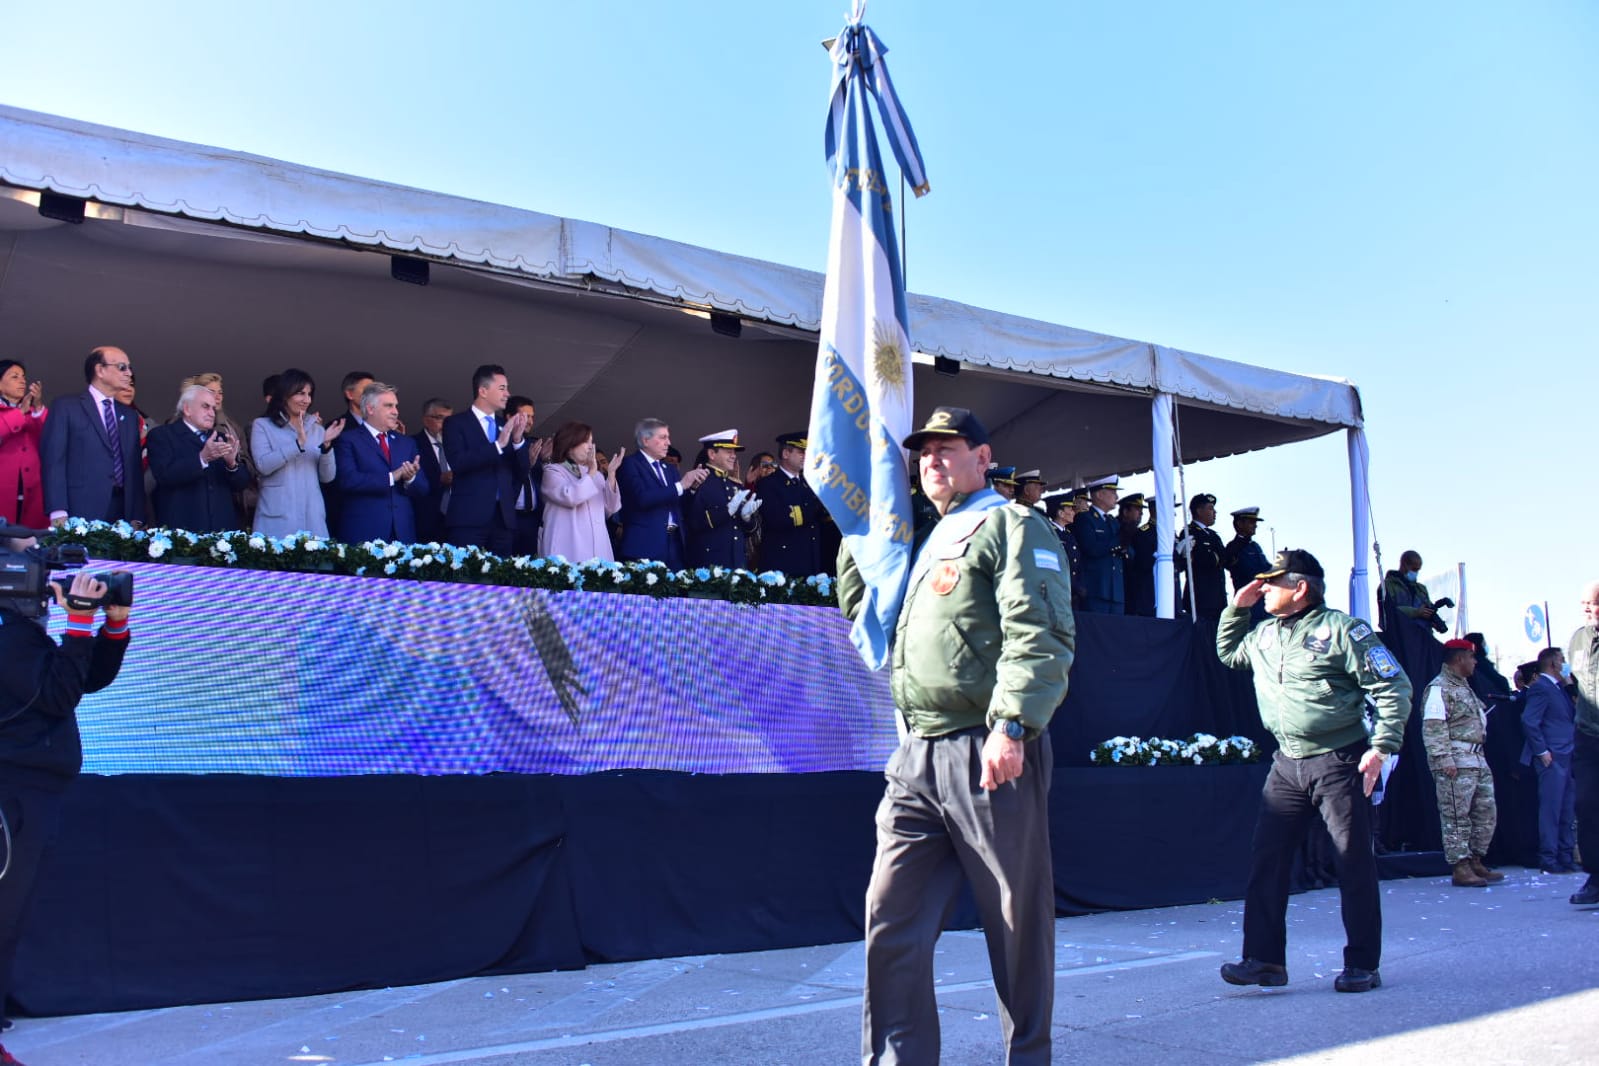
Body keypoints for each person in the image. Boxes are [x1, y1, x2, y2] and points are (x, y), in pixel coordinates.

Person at [838, 406, 1073, 1065]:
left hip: (986, 746)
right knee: (889, 921)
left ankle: (1027, 1056)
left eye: (948, 449)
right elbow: (869, 618)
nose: (933, 460)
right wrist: (860, 535)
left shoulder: (1011, 524)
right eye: (924, 452)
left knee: (1013, 922)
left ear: (982, 456)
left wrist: (1013, 724)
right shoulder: (919, 541)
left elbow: (1040, 630)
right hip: (915, 755)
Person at [1216, 548, 1412, 993]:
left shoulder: (1343, 629)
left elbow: (1392, 684)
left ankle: (1362, 963)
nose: (1264, 587)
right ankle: (1264, 961)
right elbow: (1228, 653)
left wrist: (1381, 746)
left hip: (1340, 759)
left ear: (1300, 588)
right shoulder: (1264, 633)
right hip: (1286, 763)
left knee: (1352, 862)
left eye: (1273, 581)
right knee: (1267, 860)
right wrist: (1236, 609)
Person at [0, 531, 131, 1045]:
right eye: (30, 560)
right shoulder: (8, 637)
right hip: (13, 791)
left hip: (35, 791)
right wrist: (78, 619)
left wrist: (111, 627)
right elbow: (56, 695)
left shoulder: (22, 632)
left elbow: (81, 681)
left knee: (12, 913)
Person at [1422, 638, 1503, 886]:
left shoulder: (1464, 687)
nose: (1475, 662)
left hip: (1477, 759)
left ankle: (1476, 860)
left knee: (1485, 813)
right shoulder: (1439, 688)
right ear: (1459, 659)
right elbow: (1434, 726)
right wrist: (1444, 758)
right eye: (1471, 657)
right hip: (1456, 761)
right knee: (1456, 815)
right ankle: (1460, 866)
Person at [40, 347, 145, 526]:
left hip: (122, 512)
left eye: (129, 367)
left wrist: (137, 515)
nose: (129, 373)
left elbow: (133, 469)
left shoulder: (129, 416)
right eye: (122, 367)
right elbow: (54, 461)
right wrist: (57, 510)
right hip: (79, 508)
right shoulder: (66, 407)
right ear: (100, 370)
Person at [442, 365, 530, 555]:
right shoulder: (456, 423)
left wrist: (517, 441)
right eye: (502, 388)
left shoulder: (504, 425)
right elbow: (458, 462)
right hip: (469, 519)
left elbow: (522, 472)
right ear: (482, 391)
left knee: (501, 581)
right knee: (467, 580)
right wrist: (497, 446)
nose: (508, 394)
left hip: (503, 519)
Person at [146, 384, 252, 533]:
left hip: (222, 531)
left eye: (213, 409)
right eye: (205, 407)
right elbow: (164, 475)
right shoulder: (162, 435)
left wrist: (231, 464)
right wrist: (202, 459)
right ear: (187, 409)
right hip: (183, 530)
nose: (212, 413)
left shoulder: (220, 438)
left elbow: (241, 484)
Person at [251, 368, 342, 538]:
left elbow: (327, 476)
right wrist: (298, 444)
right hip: (277, 518)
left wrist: (327, 446)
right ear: (285, 394)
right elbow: (263, 465)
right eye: (300, 393)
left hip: (312, 518)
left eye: (309, 394)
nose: (306, 400)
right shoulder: (262, 425)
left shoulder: (316, 429)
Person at [333, 383, 427, 543]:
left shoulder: (406, 443)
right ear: (370, 409)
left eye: (396, 406)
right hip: (364, 532)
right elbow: (348, 481)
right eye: (389, 406)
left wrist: (410, 478)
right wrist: (392, 477)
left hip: (402, 533)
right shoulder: (348, 439)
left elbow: (424, 488)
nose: (395, 411)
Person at [616, 418, 707, 568]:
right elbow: (642, 498)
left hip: (675, 544)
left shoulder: (669, 469)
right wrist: (681, 485)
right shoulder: (629, 464)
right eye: (663, 437)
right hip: (645, 546)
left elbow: (680, 505)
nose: (668, 443)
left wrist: (691, 488)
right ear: (645, 440)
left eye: (668, 437)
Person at [1520, 646, 1578, 876]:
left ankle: (1565, 855)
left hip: (1567, 754)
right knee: (1551, 809)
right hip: (1551, 756)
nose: (1565, 664)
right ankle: (1549, 857)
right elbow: (1529, 720)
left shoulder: (1559, 688)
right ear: (1554, 664)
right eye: (1562, 660)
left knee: (1566, 809)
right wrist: (1541, 750)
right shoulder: (1541, 688)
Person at [539, 421, 622, 563]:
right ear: (570, 443)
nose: (591, 446)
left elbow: (611, 509)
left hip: (598, 546)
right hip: (568, 545)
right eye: (585, 441)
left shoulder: (596, 475)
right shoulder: (553, 471)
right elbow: (571, 497)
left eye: (591, 441)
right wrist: (590, 473)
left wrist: (612, 475)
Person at [1566, 582, 1599, 905]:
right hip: (1588, 736)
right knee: (1587, 805)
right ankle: (1596, 877)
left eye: (1593, 604)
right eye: (1584, 603)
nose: (1587, 608)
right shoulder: (1578, 638)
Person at [752, 431, 824, 576]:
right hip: (783, 562)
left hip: (809, 560)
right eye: (801, 452)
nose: (805, 456)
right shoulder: (769, 484)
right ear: (785, 453)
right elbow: (779, 519)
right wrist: (812, 507)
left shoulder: (808, 483)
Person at [684, 431, 760, 569]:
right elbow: (693, 521)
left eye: (734, 452)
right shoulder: (699, 481)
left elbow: (749, 531)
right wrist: (726, 511)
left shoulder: (735, 485)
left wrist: (747, 518)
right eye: (728, 452)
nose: (733, 456)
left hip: (737, 561)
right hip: (710, 564)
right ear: (712, 454)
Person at [0, 361, 47, 528]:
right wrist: (19, 413)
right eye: (14, 377)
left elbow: (50, 437)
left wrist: (38, 406)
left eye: (23, 377)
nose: (22, 381)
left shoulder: (33, 412)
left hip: (33, 489)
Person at [1074, 475, 1125, 614]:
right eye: (1113, 492)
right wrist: (1116, 543)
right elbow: (1091, 548)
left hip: (1116, 591)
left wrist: (1126, 548)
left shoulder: (1113, 521)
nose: (1117, 496)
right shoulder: (1085, 518)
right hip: (1096, 588)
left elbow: (1127, 549)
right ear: (1099, 494)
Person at [507, 395, 550, 557]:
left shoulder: (533, 444)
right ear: (510, 417)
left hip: (532, 518)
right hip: (508, 516)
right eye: (525, 416)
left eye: (532, 417)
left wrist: (546, 460)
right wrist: (526, 464)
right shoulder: (502, 446)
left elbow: (542, 482)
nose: (530, 421)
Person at [1178, 492, 1227, 620]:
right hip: (1200, 599)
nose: (1214, 512)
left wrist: (1215, 557)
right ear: (1199, 511)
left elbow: (1225, 558)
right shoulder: (1189, 532)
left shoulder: (1213, 535)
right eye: (1210, 508)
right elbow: (1201, 559)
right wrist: (1215, 558)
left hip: (1218, 599)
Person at [410, 398, 452, 544]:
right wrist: (440, 479)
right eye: (440, 418)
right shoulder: (412, 444)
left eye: (449, 420)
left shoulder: (457, 445)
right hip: (426, 518)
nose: (445, 425)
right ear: (426, 420)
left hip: (455, 519)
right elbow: (412, 480)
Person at [1223, 506, 1272, 624]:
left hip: (1263, 604)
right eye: (1251, 522)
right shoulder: (1234, 548)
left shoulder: (1255, 546)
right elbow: (1249, 572)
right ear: (1239, 524)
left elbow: (1266, 568)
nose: (1255, 525)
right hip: (1247, 606)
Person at [1117, 492, 1156, 617]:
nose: (1141, 513)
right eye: (1137, 509)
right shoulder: (1117, 530)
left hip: (1135, 588)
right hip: (1119, 586)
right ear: (1125, 512)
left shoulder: (1136, 532)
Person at [1382, 550, 1437, 633]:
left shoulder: (1421, 589)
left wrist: (1434, 620)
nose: (1416, 572)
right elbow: (1389, 611)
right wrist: (1416, 612)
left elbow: (1428, 608)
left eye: (1418, 570)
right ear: (1404, 565)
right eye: (1414, 569)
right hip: (1400, 637)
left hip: (1423, 637)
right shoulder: (1388, 585)